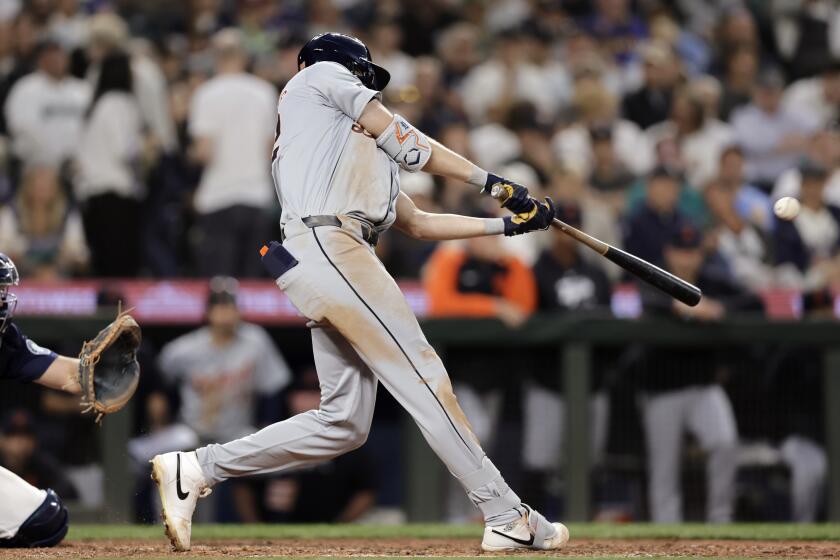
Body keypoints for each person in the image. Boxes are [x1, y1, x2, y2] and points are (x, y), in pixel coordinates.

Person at [151, 32, 567, 553]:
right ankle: (504, 511)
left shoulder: (349, 146)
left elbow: (418, 223)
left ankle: (197, 466)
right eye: (364, 76)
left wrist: (505, 228)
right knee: (422, 375)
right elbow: (412, 143)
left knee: (344, 422)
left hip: (331, 252)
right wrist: (495, 183)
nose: (368, 85)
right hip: (330, 243)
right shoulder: (315, 77)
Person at [636, 224, 761, 523]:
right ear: (669, 253)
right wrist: (683, 308)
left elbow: (754, 301)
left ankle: (721, 520)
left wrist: (718, 307)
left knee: (724, 442)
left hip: (703, 385)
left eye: (692, 252)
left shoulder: (711, 281)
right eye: (681, 252)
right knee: (664, 466)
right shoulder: (655, 278)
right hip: (662, 388)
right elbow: (640, 299)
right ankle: (666, 530)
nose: (687, 259)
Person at [0, 253, 118, 547]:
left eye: (3, 291)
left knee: (47, 518)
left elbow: (66, 375)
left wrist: (102, 369)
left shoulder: (4, 339)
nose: (3, 299)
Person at [188, 28, 278, 278]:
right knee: (250, 278)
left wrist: (189, 154)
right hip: (255, 197)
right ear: (244, 56)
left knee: (219, 281)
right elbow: (270, 149)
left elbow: (205, 152)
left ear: (215, 57)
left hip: (218, 197)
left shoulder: (206, 93)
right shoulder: (264, 92)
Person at [75, 51, 144, 277]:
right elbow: (122, 150)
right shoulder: (118, 103)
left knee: (103, 266)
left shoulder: (98, 104)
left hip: (94, 195)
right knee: (119, 269)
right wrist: (147, 147)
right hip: (113, 195)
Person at [3, 39, 89, 172]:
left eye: (60, 55)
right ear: (41, 60)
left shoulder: (83, 89)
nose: (57, 61)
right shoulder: (25, 88)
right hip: (35, 166)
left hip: (78, 167)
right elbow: (20, 127)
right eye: (51, 56)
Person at [0, 166, 89, 279]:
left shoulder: (67, 214)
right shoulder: (10, 213)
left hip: (58, 280)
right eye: (37, 185)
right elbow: (3, 253)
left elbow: (81, 256)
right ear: (28, 186)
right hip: (19, 281)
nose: (41, 190)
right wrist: (30, 266)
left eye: (47, 185)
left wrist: (65, 259)